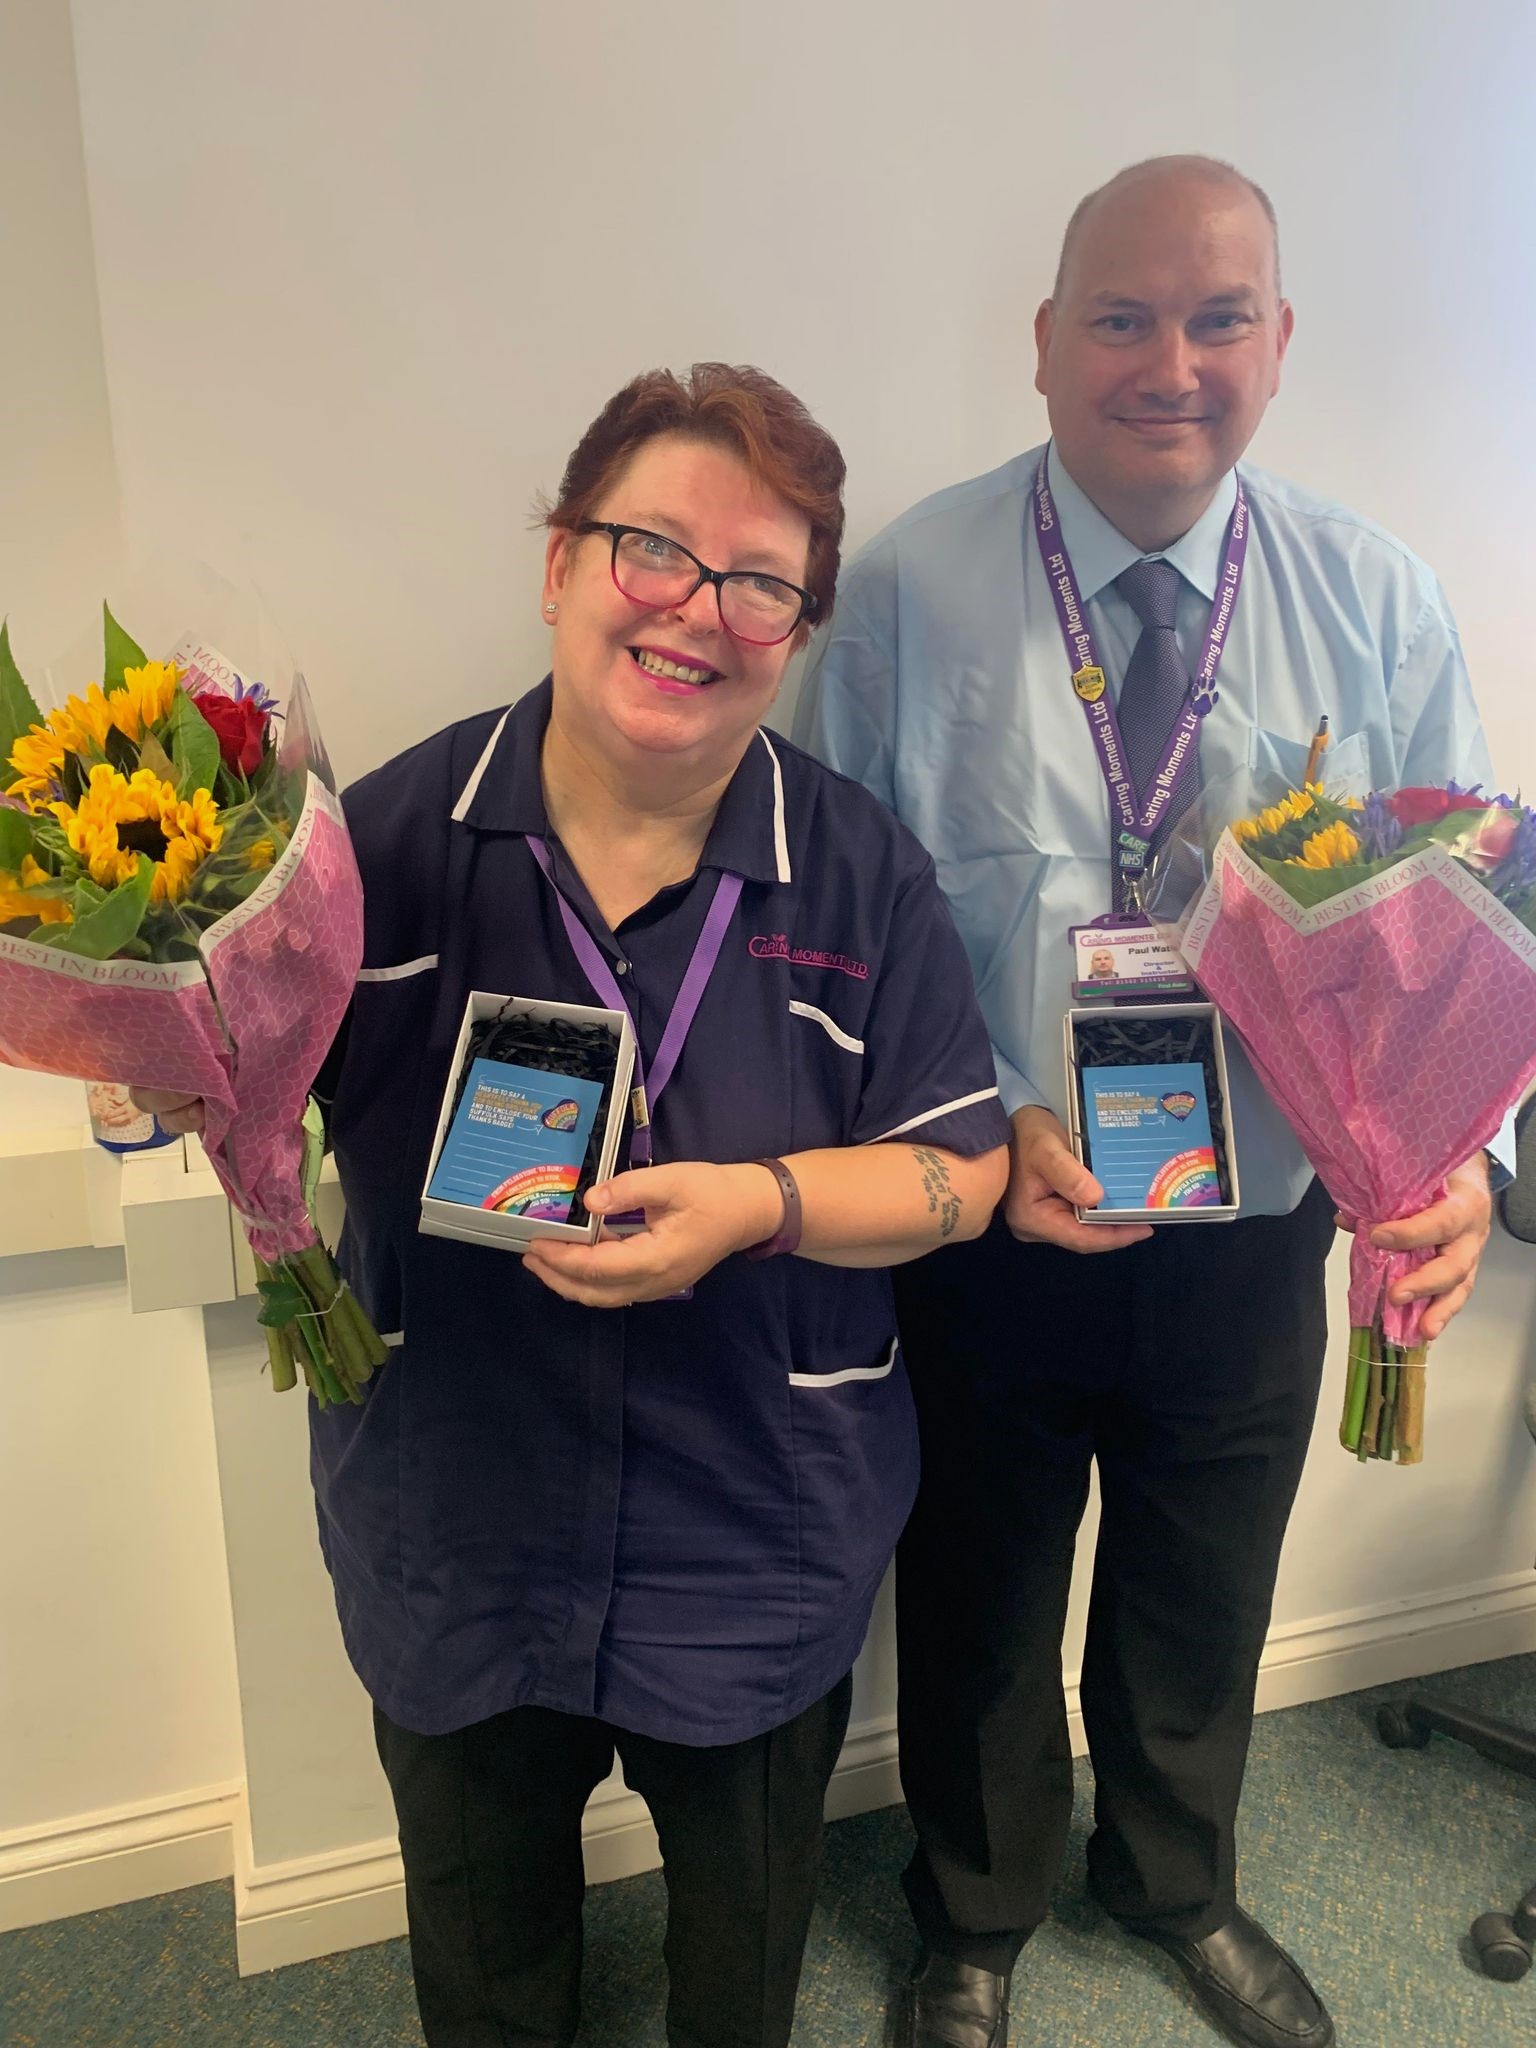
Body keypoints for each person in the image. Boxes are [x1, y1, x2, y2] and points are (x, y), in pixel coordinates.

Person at [139, 362, 1009, 2048]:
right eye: (654, 549)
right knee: (485, 1968)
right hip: (458, 1517)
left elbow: (961, 1173)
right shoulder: (365, 853)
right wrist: (165, 1068)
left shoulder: (862, 874)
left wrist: (759, 1205)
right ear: (560, 565)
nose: (698, 610)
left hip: (754, 1529)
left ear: (798, 630)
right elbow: (246, 1079)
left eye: (760, 583)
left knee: (738, 1974)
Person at [795, 158, 1506, 2048]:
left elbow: (1463, 933)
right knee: (979, 1583)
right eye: (1120, 317)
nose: (1169, 364)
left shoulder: (1377, 601)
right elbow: (830, 935)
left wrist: (1462, 1161)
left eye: (1217, 319)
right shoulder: (903, 598)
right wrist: (971, 1131)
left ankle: (1176, 1879)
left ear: (1280, 344)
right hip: (995, 1215)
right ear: (1044, 342)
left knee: (1205, 1578)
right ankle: (973, 1909)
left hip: (1258, 1215)